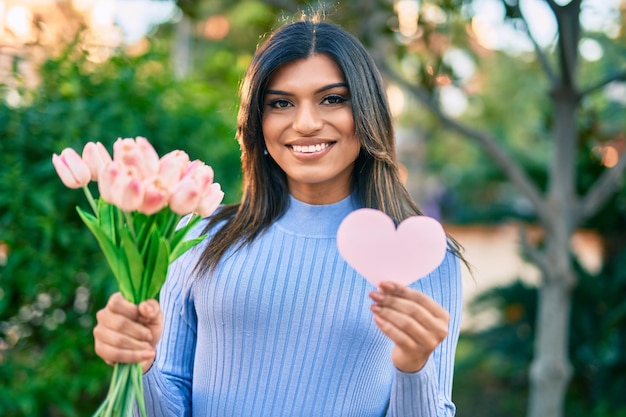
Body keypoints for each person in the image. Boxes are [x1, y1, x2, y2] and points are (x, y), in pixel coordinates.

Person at [93, 15, 464, 417]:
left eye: (332, 99)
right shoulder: (196, 235)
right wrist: (138, 363)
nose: (305, 123)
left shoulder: (424, 255)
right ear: (259, 121)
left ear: (367, 113)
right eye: (281, 103)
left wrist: (415, 368)